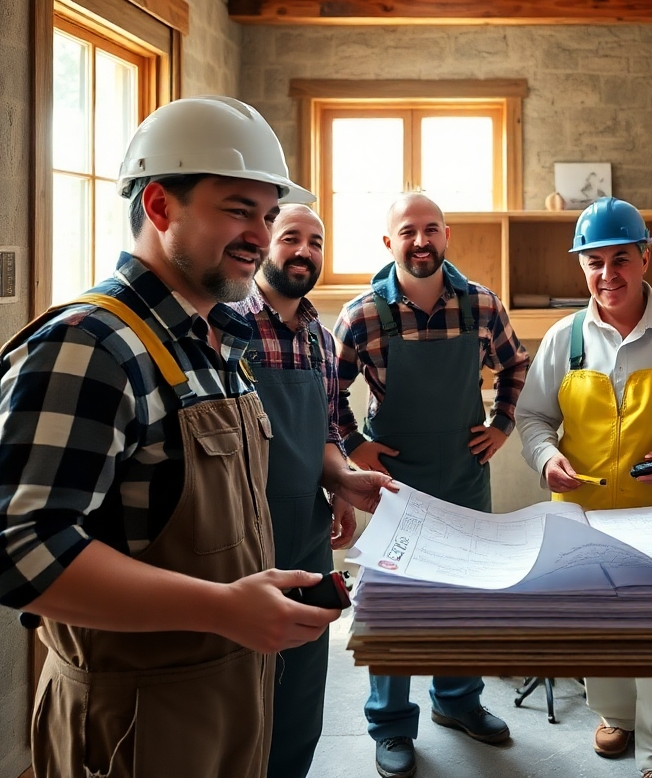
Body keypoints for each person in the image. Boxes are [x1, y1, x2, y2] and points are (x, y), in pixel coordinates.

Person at [0, 96, 393, 778]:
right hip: (132, 728)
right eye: (238, 209)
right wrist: (221, 608)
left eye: (268, 215)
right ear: (159, 207)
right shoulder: (89, 346)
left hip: (227, 697)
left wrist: (334, 475)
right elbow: (18, 550)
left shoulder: (219, 343)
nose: (261, 235)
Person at [516, 196, 652, 778]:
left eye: (620, 260)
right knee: (598, 621)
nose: (607, 275)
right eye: (593, 263)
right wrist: (547, 458)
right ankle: (615, 715)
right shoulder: (564, 338)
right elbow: (532, 417)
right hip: (584, 511)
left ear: (645, 258)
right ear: (581, 267)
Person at [334, 192, 529, 778]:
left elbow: (516, 365)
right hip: (395, 482)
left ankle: (458, 700)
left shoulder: (481, 305)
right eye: (408, 231)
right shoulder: (362, 314)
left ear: (446, 236)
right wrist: (352, 446)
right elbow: (328, 390)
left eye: (432, 229)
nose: (422, 241)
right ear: (389, 243)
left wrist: (501, 425)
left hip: (465, 475)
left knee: (464, 596)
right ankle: (391, 724)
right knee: (394, 603)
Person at [234, 203, 395, 778]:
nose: (304, 251)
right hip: (237, 540)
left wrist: (343, 481)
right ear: (261, 244)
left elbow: (327, 432)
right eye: (291, 238)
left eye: (317, 242)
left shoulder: (322, 340)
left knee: (299, 698)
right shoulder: (225, 324)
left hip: (304, 535)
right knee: (235, 697)